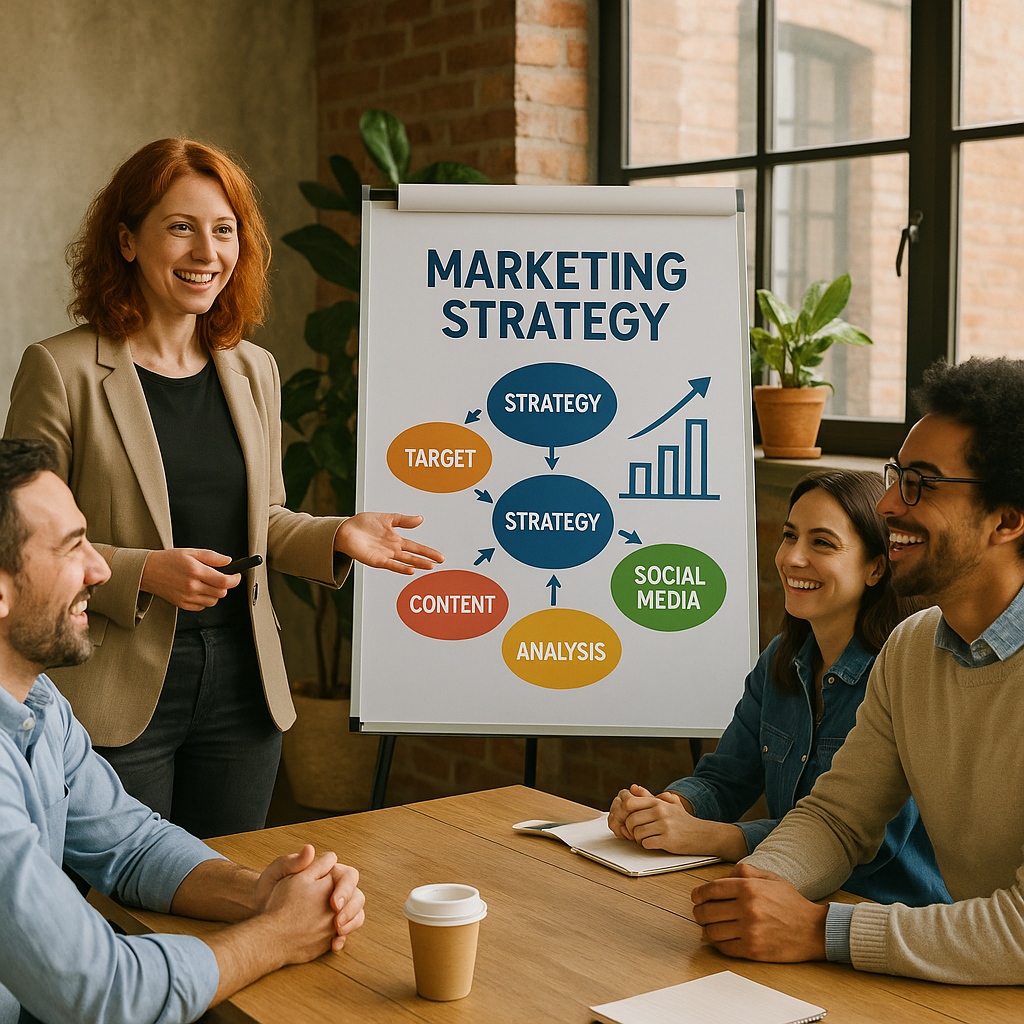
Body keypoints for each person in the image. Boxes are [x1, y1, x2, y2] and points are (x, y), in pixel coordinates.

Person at [4, 138, 443, 838]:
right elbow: (20, 541)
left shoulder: (253, 370)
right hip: (116, 686)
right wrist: (145, 571)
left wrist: (337, 533)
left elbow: (261, 518)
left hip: (243, 685)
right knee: (131, 908)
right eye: (180, 227)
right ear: (125, 240)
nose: (205, 251)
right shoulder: (62, 370)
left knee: (228, 891)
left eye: (224, 229)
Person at [0, 438, 366, 1024]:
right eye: (72, 548)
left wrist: (260, 893)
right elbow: (100, 993)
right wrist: (278, 933)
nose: (101, 569)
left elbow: (131, 844)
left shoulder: (37, 702)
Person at [691, 356, 1024, 985]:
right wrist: (759, 889)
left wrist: (819, 930)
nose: (891, 503)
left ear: (1007, 519)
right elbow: (838, 818)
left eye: (922, 483)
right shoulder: (913, 648)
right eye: (899, 475)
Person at [608, 470, 948, 907]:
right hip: (778, 896)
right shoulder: (780, 660)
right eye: (790, 536)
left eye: (821, 542)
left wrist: (717, 837)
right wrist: (667, 808)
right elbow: (725, 777)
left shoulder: (905, 674)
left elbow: (868, 840)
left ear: (876, 567)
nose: (792, 558)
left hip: (877, 915)